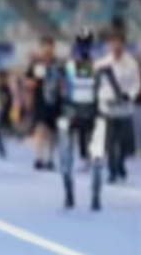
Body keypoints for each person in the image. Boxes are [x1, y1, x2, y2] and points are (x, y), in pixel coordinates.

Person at [57, 28, 104, 210]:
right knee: (71, 154)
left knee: (94, 155)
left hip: (83, 112)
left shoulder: (93, 66)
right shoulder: (74, 66)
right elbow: (60, 90)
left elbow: (60, 91)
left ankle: (88, 195)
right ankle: (77, 194)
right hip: (77, 113)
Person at [94, 31, 140, 183]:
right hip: (108, 106)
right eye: (113, 43)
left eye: (119, 43)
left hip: (125, 107)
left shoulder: (131, 63)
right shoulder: (102, 64)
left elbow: (136, 83)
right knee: (110, 141)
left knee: (124, 142)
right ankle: (112, 169)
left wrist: (131, 94)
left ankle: (120, 163)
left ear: (123, 45)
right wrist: (102, 98)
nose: (116, 46)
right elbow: (97, 85)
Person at [26, 36, 63, 170]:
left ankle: (50, 158)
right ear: (41, 48)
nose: (48, 49)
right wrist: (32, 85)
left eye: (50, 46)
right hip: (40, 101)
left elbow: (65, 81)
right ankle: (39, 157)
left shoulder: (58, 64)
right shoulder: (37, 64)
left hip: (55, 101)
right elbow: (29, 81)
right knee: (40, 129)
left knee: (53, 131)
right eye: (45, 46)